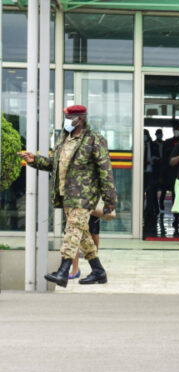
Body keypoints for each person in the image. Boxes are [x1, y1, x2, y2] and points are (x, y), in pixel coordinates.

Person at [18, 104, 117, 287]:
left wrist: (111, 200)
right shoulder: (63, 139)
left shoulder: (94, 140)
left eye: (69, 118)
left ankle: (63, 271)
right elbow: (54, 164)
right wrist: (35, 160)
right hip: (66, 196)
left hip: (84, 196)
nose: (66, 122)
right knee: (82, 233)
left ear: (79, 119)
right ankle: (98, 271)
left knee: (71, 231)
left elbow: (105, 171)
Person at [164, 121, 179, 233]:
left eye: (178, 128)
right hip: (172, 175)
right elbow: (165, 160)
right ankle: (176, 218)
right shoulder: (168, 142)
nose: (176, 130)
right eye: (175, 128)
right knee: (174, 197)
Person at [143, 129, 160, 235]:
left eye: (145, 134)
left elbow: (159, 158)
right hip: (140, 174)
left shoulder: (154, 145)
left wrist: (154, 160)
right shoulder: (137, 144)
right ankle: (142, 216)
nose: (144, 136)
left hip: (151, 174)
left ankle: (151, 218)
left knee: (151, 197)